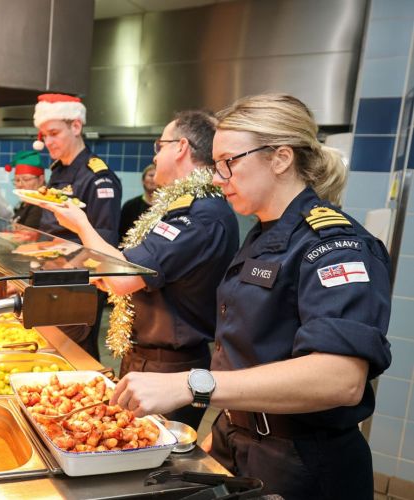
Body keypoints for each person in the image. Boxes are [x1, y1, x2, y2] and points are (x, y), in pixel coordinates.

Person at [111, 94, 392, 499]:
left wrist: (193, 384)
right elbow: (251, 352)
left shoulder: (335, 245)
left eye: (229, 162)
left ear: (280, 158)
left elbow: (340, 379)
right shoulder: (262, 234)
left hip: (303, 463)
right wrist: (222, 435)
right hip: (241, 442)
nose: (218, 176)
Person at [42, 110, 239, 429]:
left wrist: (80, 224)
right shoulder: (179, 206)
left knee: (151, 458)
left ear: (181, 148)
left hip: (171, 366)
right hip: (146, 356)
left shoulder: (198, 214)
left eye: (160, 146)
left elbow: (126, 277)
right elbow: (142, 274)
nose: (156, 156)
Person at [32, 93, 123, 359]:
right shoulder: (58, 171)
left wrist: (62, 270)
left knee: (75, 358)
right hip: (50, 282)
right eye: (43, 136)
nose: (48, 142)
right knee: (50, 355)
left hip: (76, 289)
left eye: (53, 133)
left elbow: (102, 247)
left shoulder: (98, 177)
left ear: (75, 126)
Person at [6, 150, 46, 228]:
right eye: (17, 180)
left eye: (26, 179)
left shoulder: (40, 207)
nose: (20, 185)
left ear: (41, 179)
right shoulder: (24, 204)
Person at [118, 163, 157, 239]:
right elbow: (121, 233)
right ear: (143, 180)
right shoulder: (130, 206)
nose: (153, 178)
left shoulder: (167, 207)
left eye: (156, 176)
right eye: (151, 175)